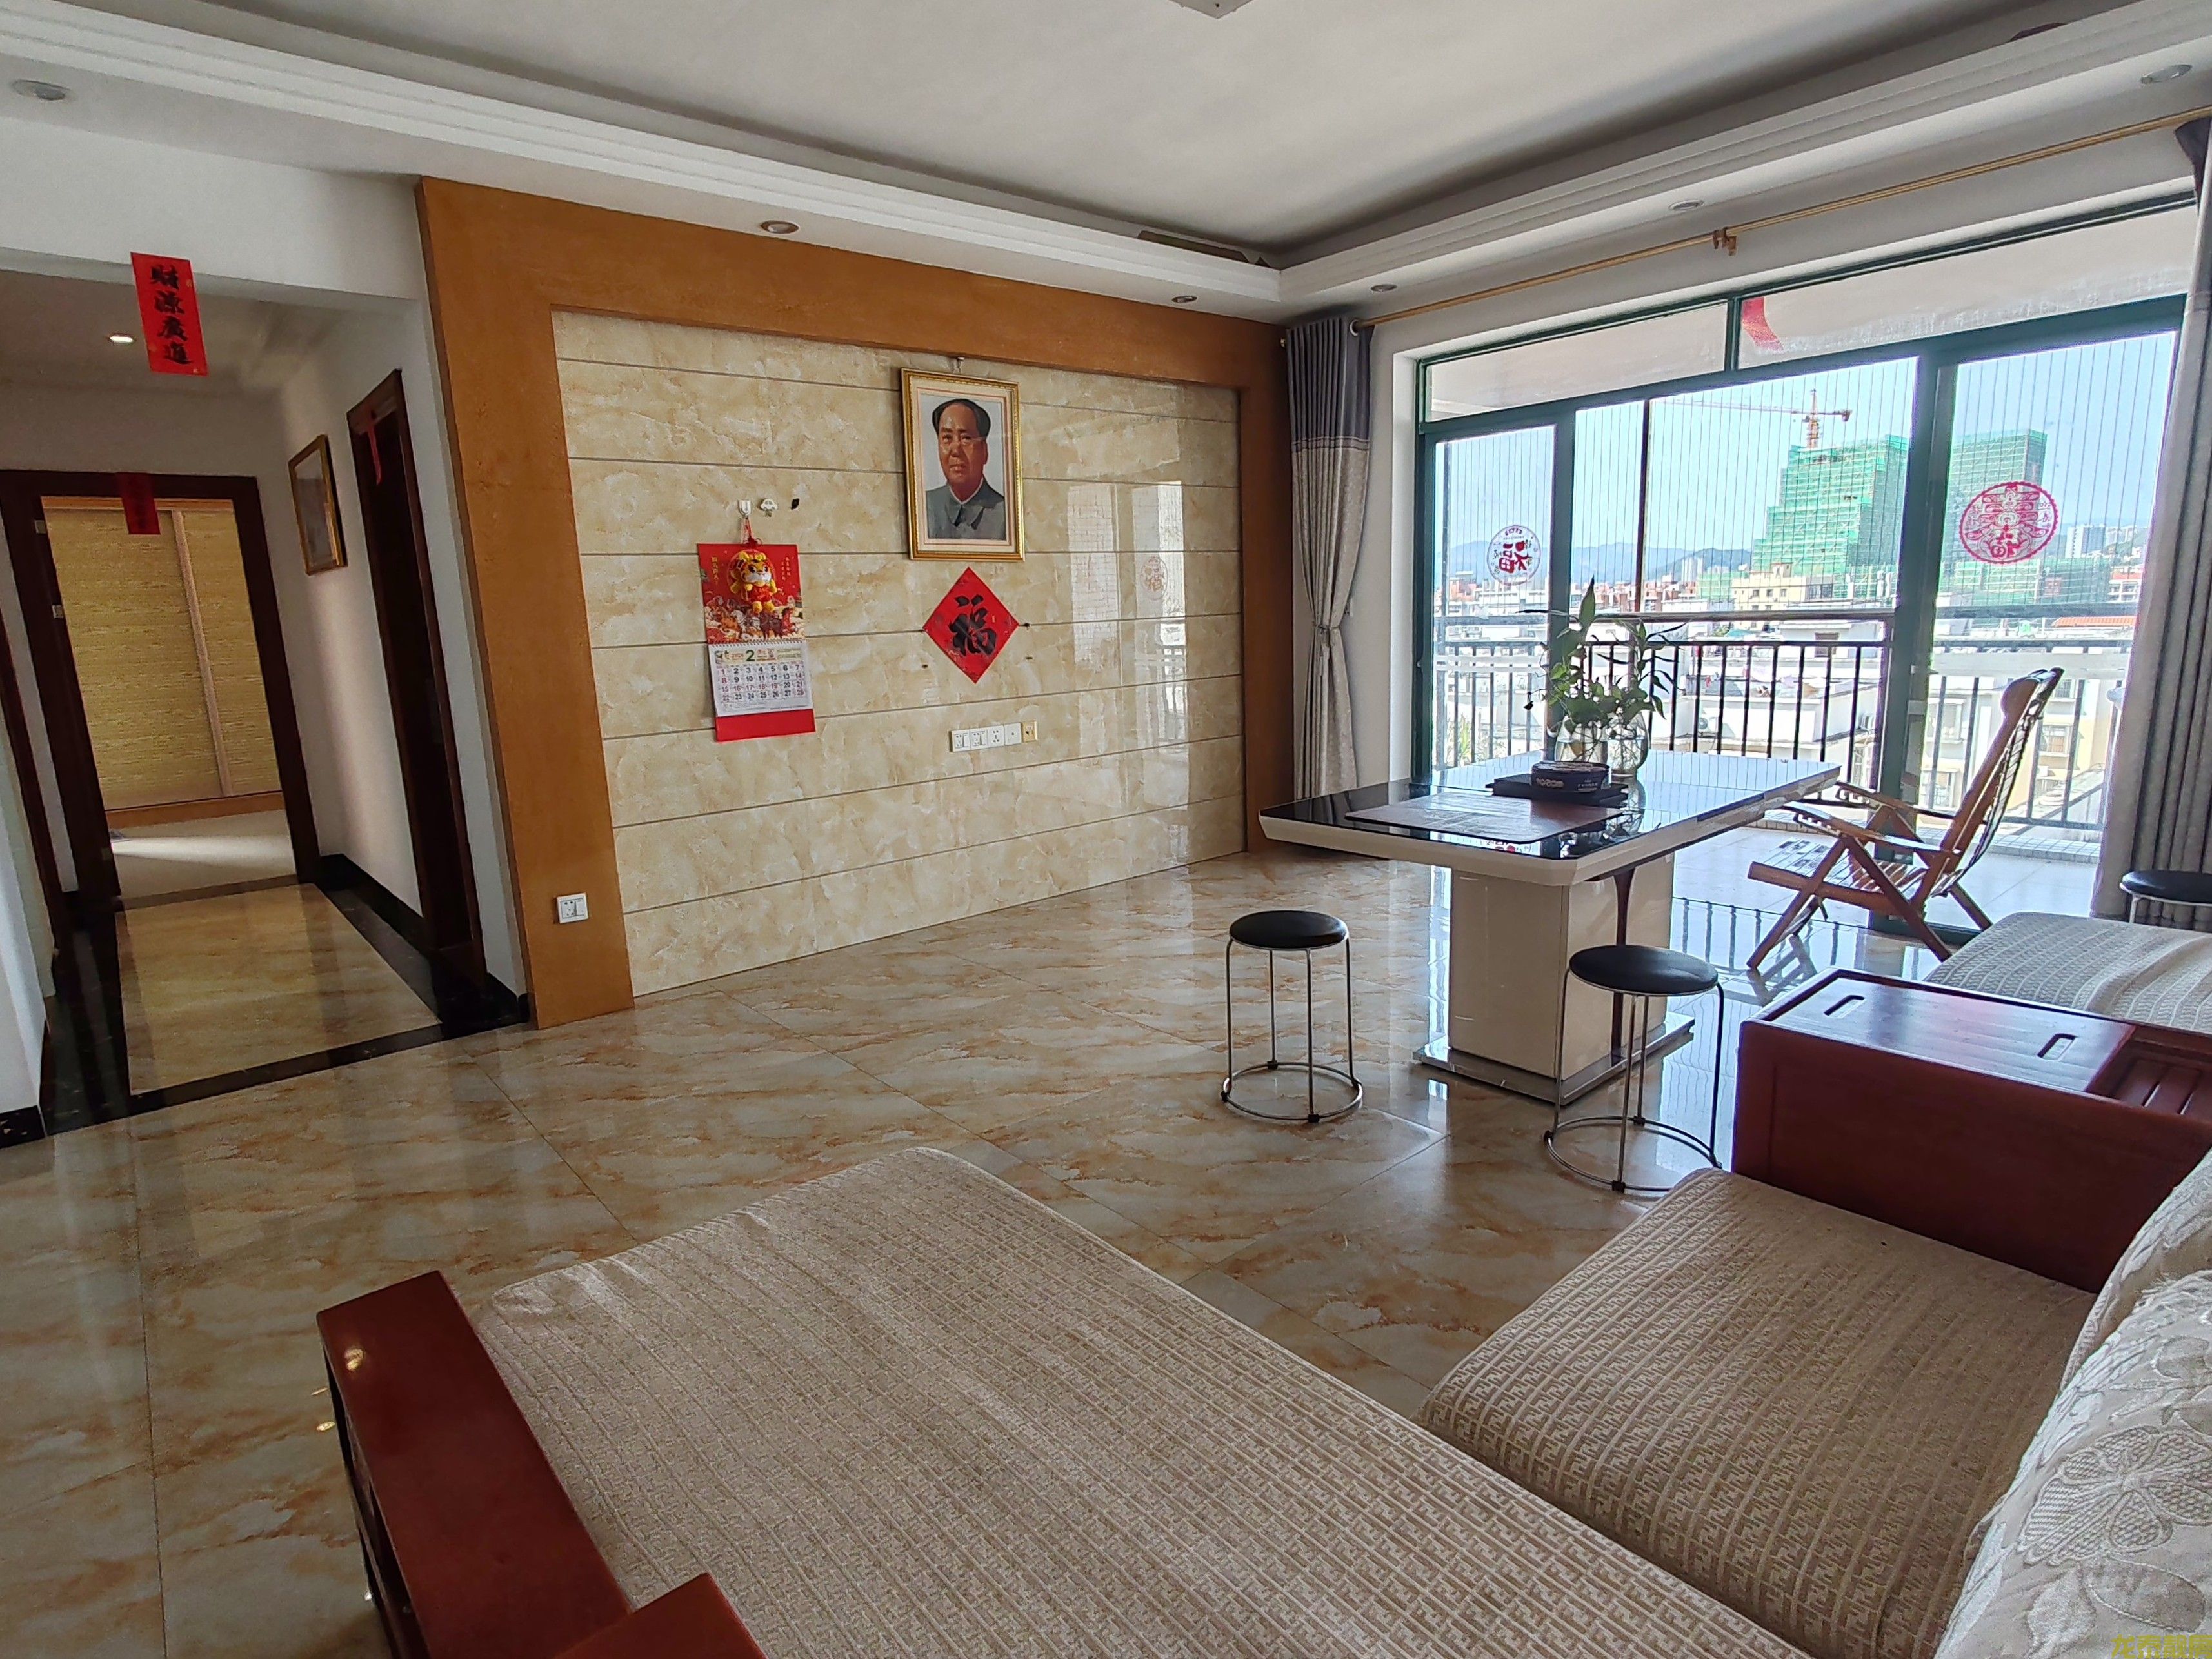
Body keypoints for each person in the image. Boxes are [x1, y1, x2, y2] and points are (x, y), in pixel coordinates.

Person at [923, 396, 1006, 540]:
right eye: (947, 438)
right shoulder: (923, 507)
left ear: (984, 451)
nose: (956, 451)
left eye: (966, 438)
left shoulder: (1006, 514)